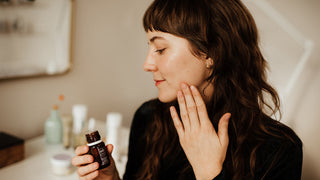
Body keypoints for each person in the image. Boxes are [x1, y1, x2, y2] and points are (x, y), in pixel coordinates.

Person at [71, 0, 303, 179]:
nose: (147, 65)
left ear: (212, 54)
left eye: (160, 48)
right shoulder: (148, 118)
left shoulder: (280, 150)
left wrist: (210, 173)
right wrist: (110, 178)